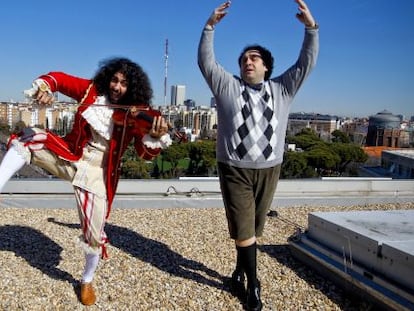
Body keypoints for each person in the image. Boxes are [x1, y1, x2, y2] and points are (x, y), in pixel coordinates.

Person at [0, 57, 171, 306]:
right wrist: (44, 88)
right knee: (30, 138)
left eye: (124, 83)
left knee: (94, 234)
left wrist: (155, 136)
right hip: (72, 154)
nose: (117, 87)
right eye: (114, 80)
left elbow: (145, 153)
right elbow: (58, 79)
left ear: (131, 88)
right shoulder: (91, 90)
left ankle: (87, 279)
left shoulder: (136, 112)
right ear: (107, 79)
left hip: (98, 172)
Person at [198, 1, 319, 310]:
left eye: (255, 58)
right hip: (234, 169)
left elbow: (306, 63)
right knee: (244, 229)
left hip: (269, 169)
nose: (248, 62)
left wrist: (310, 28)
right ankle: (254, 286)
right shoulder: (227, 86)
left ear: (266, 66)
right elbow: (206, 62)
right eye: (244, 59)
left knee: (252, 229)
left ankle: (240, 270)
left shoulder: (282, 89)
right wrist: (210, 27)